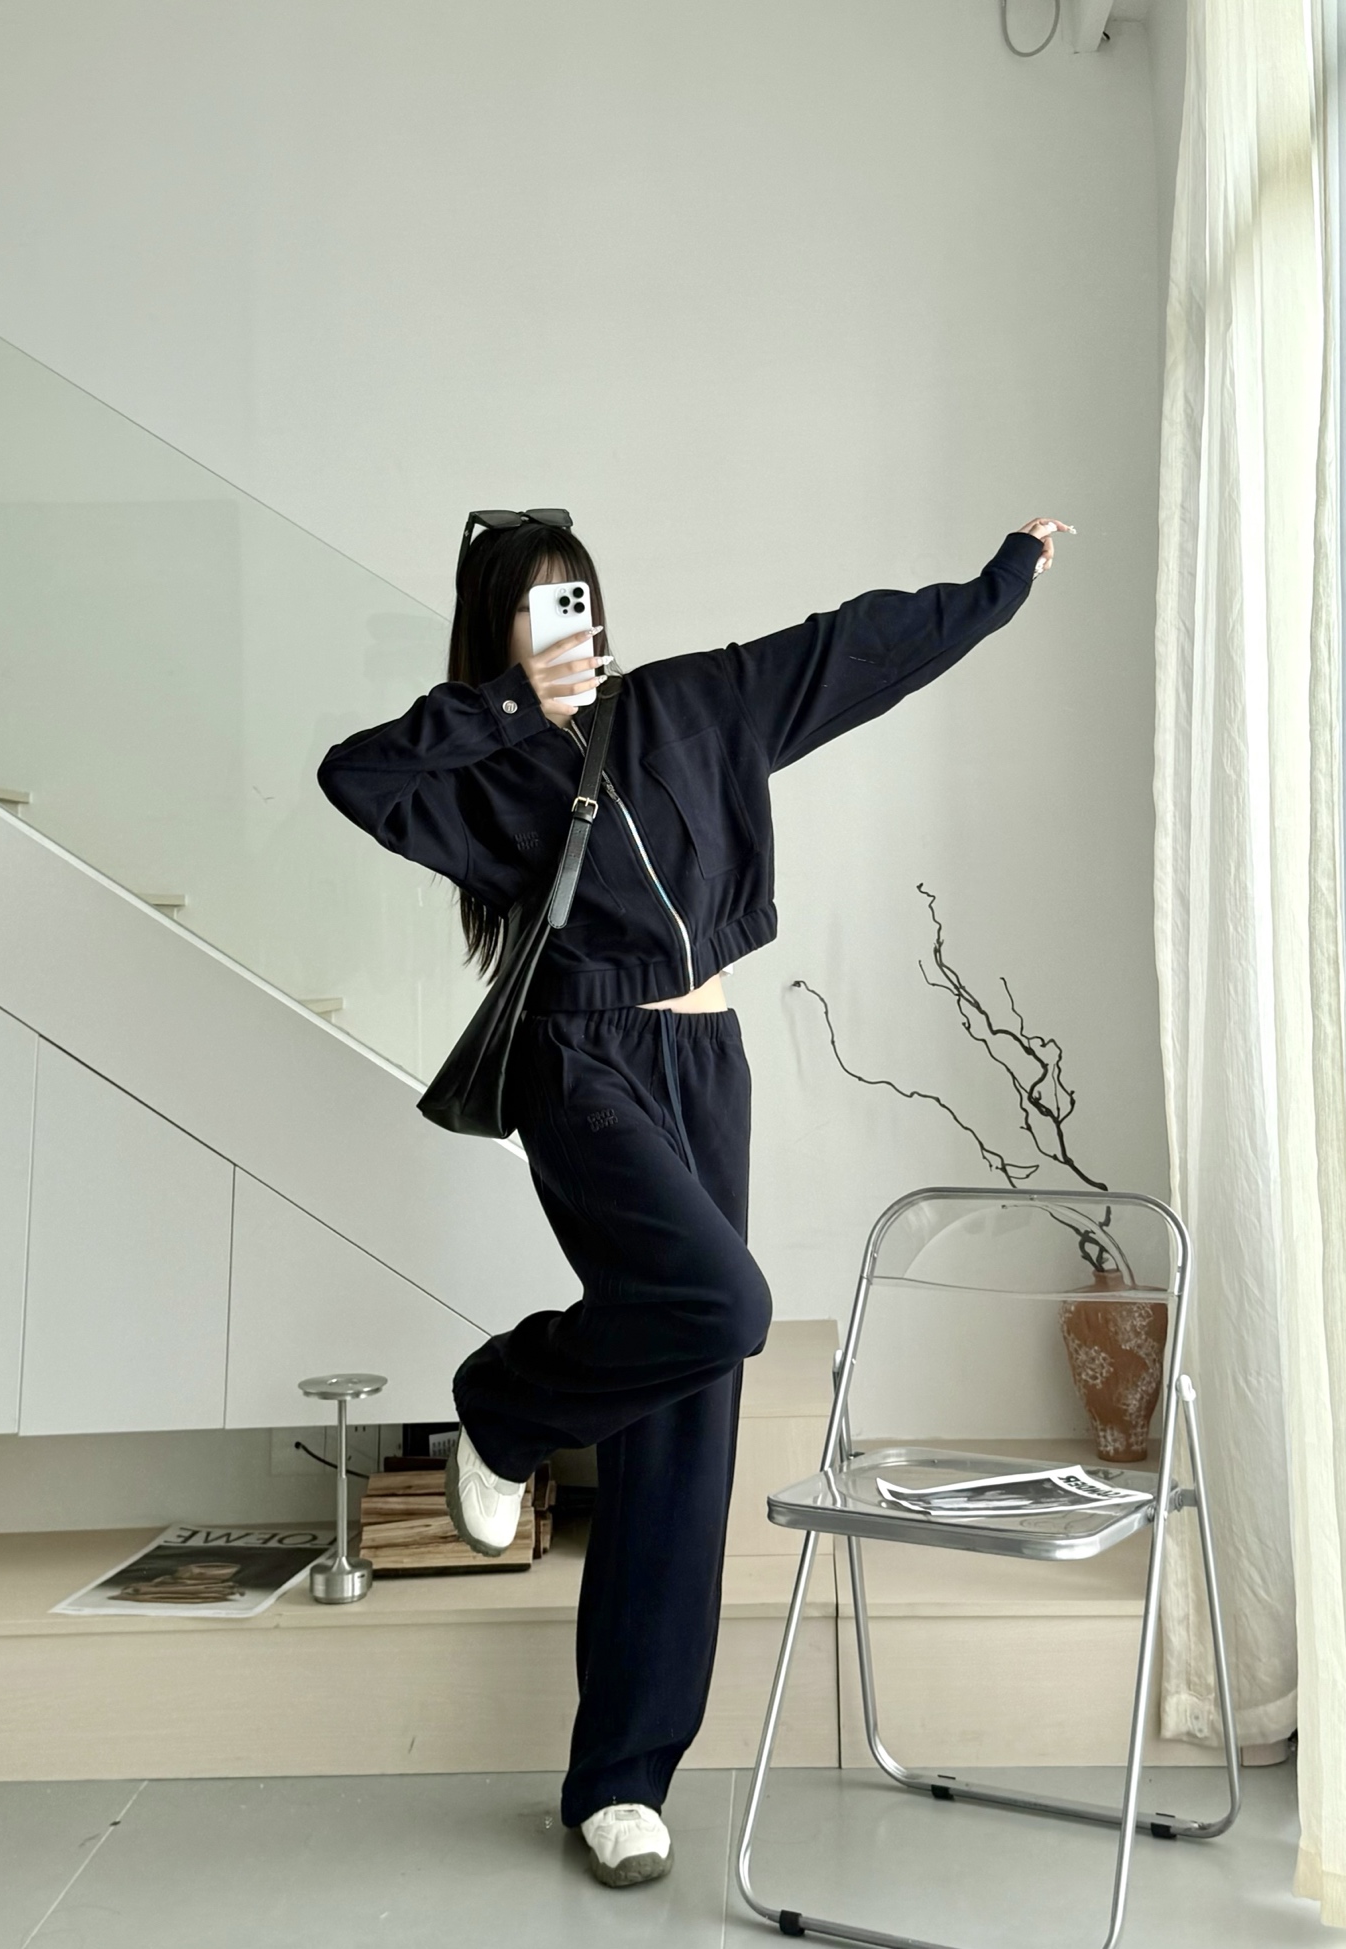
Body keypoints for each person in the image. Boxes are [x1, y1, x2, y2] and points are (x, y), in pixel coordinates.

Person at [316, 506, 1068, 1888]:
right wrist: (505, 707)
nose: (569, 626)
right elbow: (353, 776)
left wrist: (998, 583)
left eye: (580, 599)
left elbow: (854, 650)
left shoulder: (694, 706)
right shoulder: (483, 763)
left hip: (705, 1060)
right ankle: (503, 1407)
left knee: (687, 1410)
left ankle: (621, 1780)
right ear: (497, 630)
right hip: (576, 1059)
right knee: (725, 1304)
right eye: (536, 606)